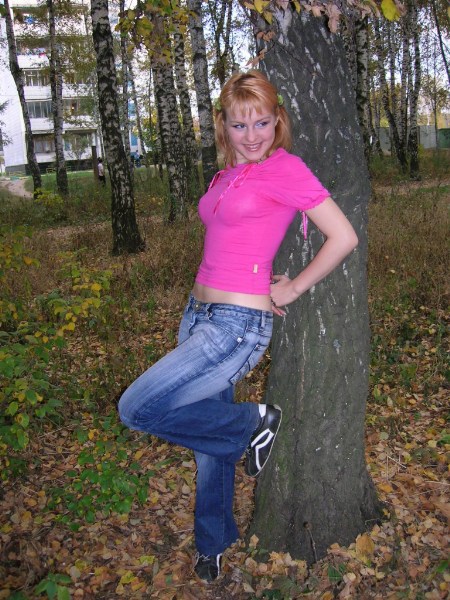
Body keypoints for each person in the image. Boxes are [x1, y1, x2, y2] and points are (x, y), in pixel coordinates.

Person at [118, 70, 358, 583]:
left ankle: (254, 423)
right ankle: (214, 543)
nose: (252, 136)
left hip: (235, 326)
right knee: (206, 445)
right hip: (197, 315)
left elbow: (343, 236)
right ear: (222, 126)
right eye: (239, 124)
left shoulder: (286, 168)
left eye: (262, 123)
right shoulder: (225, 175)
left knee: (135, 408)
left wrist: (293, 288)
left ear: (278, 121)